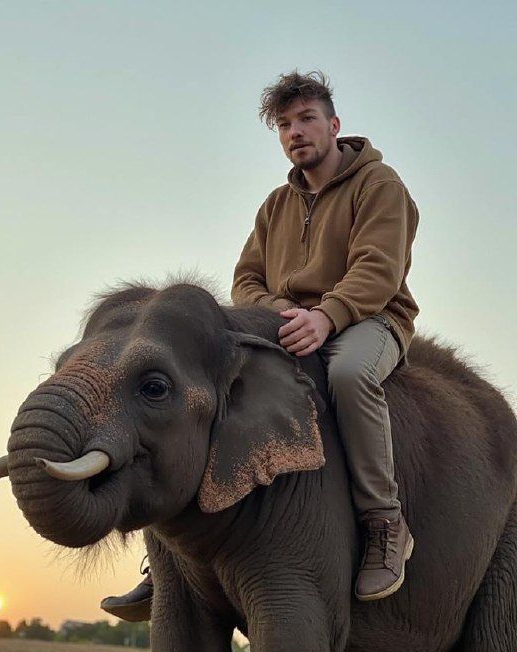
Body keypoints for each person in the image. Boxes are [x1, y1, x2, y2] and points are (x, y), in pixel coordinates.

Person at [101, 69, 419, 620]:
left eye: (307, 119)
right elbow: (245, 279)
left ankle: (384, 523)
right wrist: (278, 315)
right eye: (285, 125)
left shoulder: (380, 186)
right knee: (197, 378)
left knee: (347, 375)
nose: (296, 132)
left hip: (370, 318)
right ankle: (166, 559)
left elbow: (379, 270)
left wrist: (328, 316)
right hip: (285, 321)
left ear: (334, 125)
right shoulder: (275, 204)